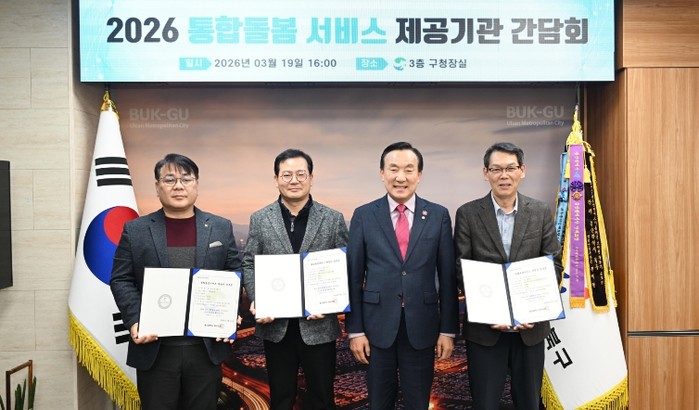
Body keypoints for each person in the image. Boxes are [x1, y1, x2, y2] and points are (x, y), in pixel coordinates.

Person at [110, 153, 242, 410]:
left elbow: (233, 271)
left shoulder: (220, 227)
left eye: (186, 179)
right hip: (155, 347)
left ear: (196, 185)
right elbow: (121, 278)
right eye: (169, 180)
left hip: (205, 347)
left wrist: (230, 312)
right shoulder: (136, 230)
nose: (178, 186)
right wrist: (135, 320)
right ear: (157, 187)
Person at [346, 141, 459, 409]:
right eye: (393, 169)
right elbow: (353, 277)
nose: (401, 177)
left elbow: (447, 277)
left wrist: (448, 330)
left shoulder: (438, 215)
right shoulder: (364, 215)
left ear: (419, 175)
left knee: (418, 403)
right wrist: (355, 330)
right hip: (376, 327)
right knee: (379, 403)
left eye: (409, 170)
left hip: (422, 326)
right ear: (382, 173)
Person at [454, 142, 563, 410]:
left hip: (530, 330)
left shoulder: (539, 212)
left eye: (510, 168)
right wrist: (492, 310)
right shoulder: (468, 213)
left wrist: (533, 310)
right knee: (485, 403)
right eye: (496, 169)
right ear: (486, 173)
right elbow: (460, 268)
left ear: (522, 170)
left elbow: (554, 265)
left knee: (529, 403)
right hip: (485, 331)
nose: (504, 175)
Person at [242, 148, 348, 410]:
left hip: (319, 326)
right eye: (286, 174)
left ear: (311, 177)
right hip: (276, 328)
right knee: (280, 400)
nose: (294, 180)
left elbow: (344, 266)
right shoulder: (260, 218)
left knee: (323, 400)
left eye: (301, 174)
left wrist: (331, 302)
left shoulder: (332, 218)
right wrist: (258, 298)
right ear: (276, 179)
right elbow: (249, 262)